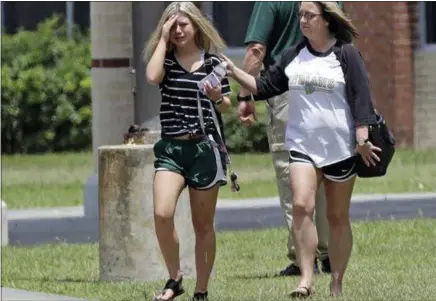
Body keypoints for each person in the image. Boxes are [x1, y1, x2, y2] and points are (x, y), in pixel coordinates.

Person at [221, 1, 381, 297]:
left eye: (309, 16)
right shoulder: (293, 55)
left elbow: (362, 99)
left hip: (340, 147)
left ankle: (336, 280)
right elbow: (266, 86)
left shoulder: (346, 54)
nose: (303, 21)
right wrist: (234, 73)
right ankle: (306, 279)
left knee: (337, 216)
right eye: (301, 16)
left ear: (327, 20)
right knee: (300, 206)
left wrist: (362, 139)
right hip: (302, 145)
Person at [238, 1, 342, 277]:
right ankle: (329, 252)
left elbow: (256, 50)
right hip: (327, 89)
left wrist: (245, 96)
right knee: (324, 171)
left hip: (287, 90)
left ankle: (302, 257)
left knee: (292, 176)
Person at [143, 2, 232, 300]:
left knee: (203, 225)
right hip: (171, 148)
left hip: (204, 150)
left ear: (196, 26)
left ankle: (201, 291)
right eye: (172, 26)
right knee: (162, 213)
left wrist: (218, 96)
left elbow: (225, 105)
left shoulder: (213, 62)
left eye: (183, 25)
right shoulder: (165, 61)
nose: (179, 30)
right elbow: (152, 77)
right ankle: (175, 278)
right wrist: (163, 38)